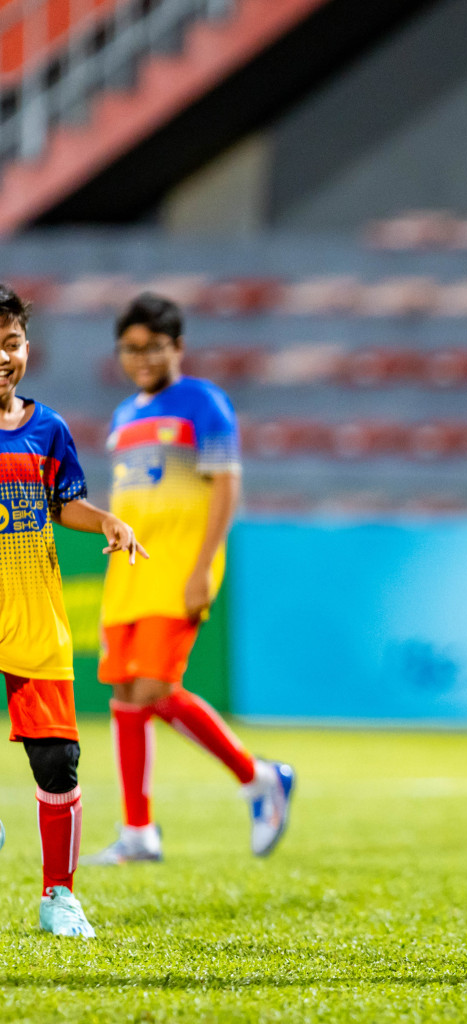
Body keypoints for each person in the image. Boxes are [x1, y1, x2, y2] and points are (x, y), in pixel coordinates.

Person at [83, 293, 294, 866]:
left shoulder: (204, 403)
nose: (141, 358)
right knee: (126, 695)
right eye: (130, 348)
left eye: (152, 346)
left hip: (179, 564)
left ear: (177, 346)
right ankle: (138, 832)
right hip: (129, 570)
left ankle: (259, 778)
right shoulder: (124, 415)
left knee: (153, 687)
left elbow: (225, 486)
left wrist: (203, 567)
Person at [0, 282, 148, 936]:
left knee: (57, 761)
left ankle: (59, 896)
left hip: (36, 624)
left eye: (10, 343)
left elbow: (62, 503)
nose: (3, 357)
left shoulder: (48, 428)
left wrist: (107, 521)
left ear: (26, 347)